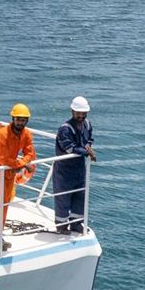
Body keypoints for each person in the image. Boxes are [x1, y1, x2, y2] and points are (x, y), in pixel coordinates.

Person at [0, 103, 39, 250]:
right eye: (18, 119)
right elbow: (4, 160)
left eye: (23, 120)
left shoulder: (26, 134)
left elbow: (29, 153)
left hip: (10, 172)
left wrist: (22, 163)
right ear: (13, 118)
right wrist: (23, 165)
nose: (20, 123)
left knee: (5, 204)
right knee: (2, 205)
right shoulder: (2, 135)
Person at [53, 96, 96, 232]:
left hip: (79, 169)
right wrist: (87, 152)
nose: (81, 116)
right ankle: (61, 226)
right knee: (63, 197)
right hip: (64, 171)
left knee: (80, 196)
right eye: (78, 113)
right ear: (72, 111)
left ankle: (76, 224)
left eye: (83, 113)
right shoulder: (65, 129)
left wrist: (88, 147)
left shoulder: (88, 124)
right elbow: (69, 148)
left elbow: (89, 139)